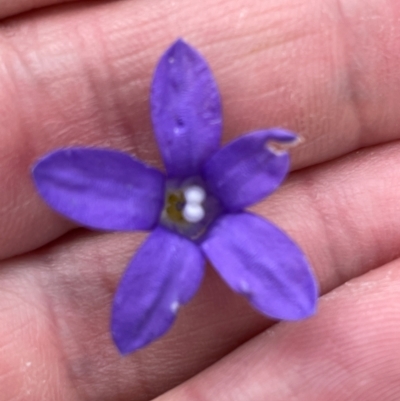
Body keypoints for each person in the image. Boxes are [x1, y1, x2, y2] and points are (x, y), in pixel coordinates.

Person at [0, 0, 399, 400]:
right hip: (179, 230)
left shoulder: (226, 192)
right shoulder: (170, 208)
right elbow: (65, 179)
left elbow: (290, 294)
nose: (182, 208)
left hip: (208, 229)